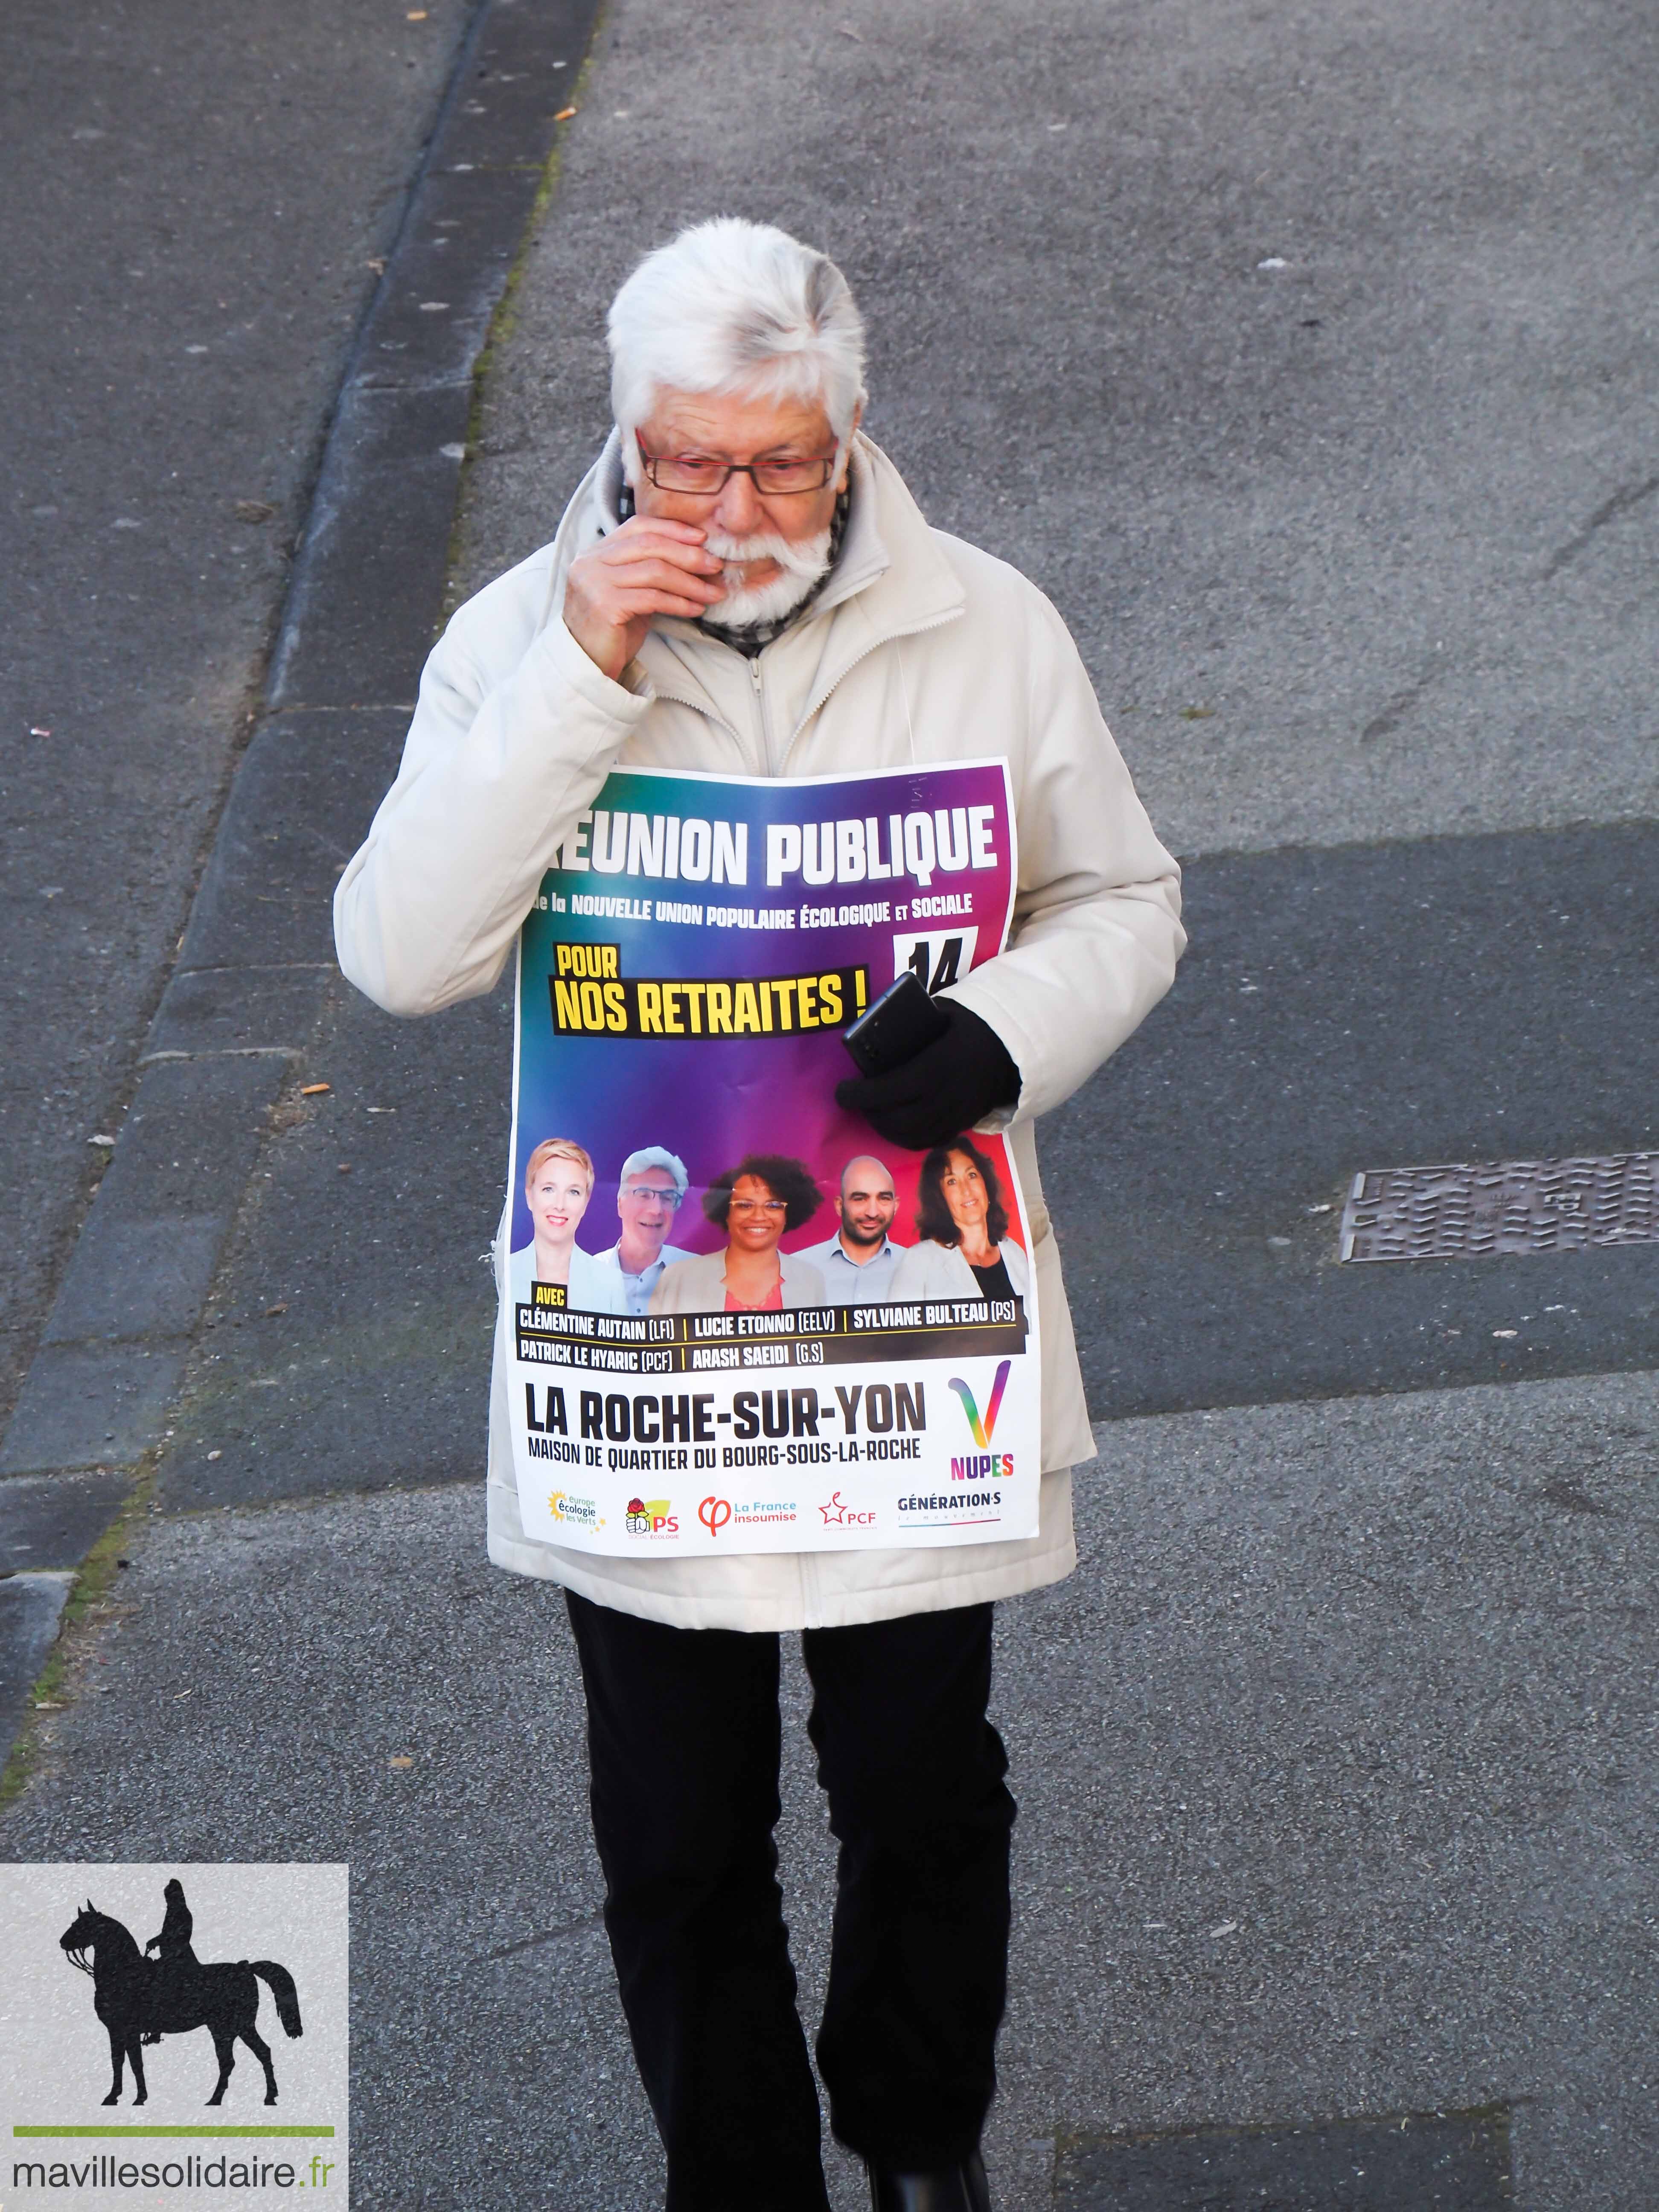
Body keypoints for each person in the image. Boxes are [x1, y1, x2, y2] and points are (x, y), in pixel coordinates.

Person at [335, 218, 1184, 2212]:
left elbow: (1120, 900)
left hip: (903, 1331)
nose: (728, 510)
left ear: (851, 427)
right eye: (683, 464)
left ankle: (913, 2139)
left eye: (777, 464)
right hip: (641, 1352)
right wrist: (575, 673)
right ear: (621, 438)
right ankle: (735, 2180)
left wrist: (993, 1031)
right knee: (674, 1823)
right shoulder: (511, 637)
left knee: (912, 1783)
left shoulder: (984, 622)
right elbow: (398, 952)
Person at [649, 1154, 827, 1314]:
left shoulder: (811, 1280)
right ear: (726, 1212)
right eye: (745, 1205)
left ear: (788, 1214)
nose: (758, 1217)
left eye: (773, 1206)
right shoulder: (679, 1279)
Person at [890, 1140, 1030, 1304]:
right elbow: (895, 1329)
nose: (966, 1190)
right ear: (940, 1198)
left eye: (972, 1175)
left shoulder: (1015, 1253)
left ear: (986, 1183)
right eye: (952, 1182)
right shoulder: (919, 1261)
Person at [508, 1138, 624, 1313]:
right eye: (549, 1189)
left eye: (573, 1192)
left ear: (586, 1203)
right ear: (529, 1197)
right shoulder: (505, 1273)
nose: (560, 1205)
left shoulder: (610, 1283)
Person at [588, 1146, 697, 1316]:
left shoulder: (701, 1276)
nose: (656, 1210)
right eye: (643, 1195)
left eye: (667, 1197)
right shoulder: (586, 1277)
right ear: (620, 1204)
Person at [798, 1153, 908, 1304]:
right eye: (860, 1199)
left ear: (895, 1206)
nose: (872, 1213)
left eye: (884, 1199)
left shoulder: (920, 1270)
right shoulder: (797, 1269)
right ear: (839, 1206)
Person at [141, 1877, 198, 2041]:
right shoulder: (172, 1913)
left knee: (161, 1984)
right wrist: (157, 1941)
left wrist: (161, 1941)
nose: (168, 1902)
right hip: (169, 1956)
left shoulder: (183, 1914)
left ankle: (158, 2025)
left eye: (170, 1898)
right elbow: (167, 1934)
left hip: (180, 1957)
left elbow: (180, 1937)